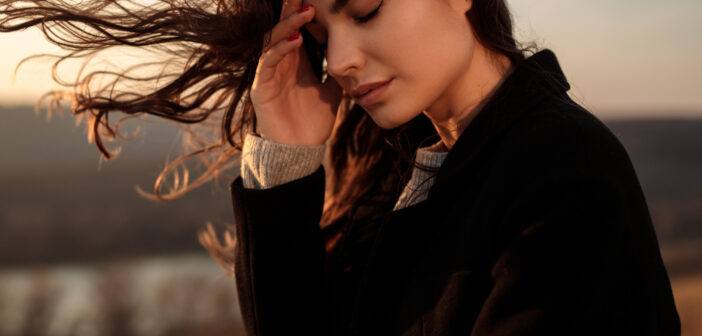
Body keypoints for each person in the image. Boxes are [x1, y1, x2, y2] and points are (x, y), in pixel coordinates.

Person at [1, 0, 681, 334]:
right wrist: (286, 158)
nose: (341, 58)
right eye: (323, 34)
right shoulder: (401, 171)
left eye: (366, 10)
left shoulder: (563, 171)